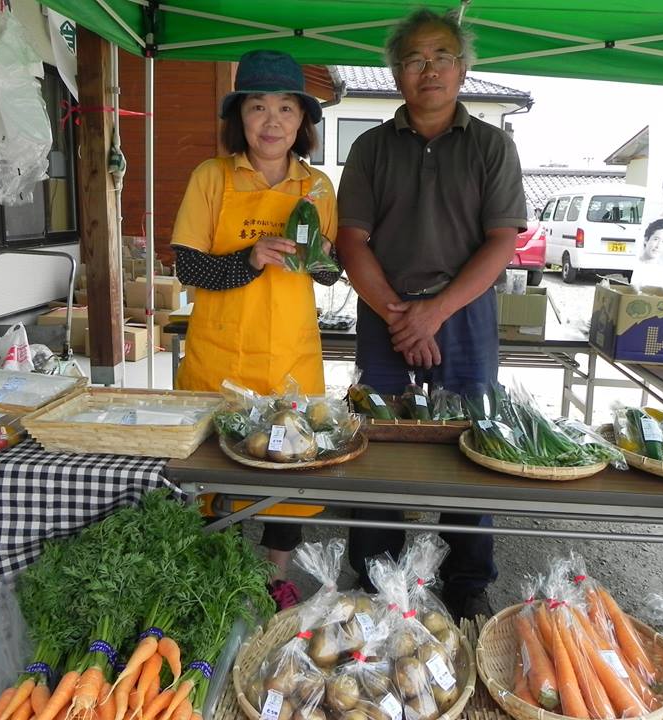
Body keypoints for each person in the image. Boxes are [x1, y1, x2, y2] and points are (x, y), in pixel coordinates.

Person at [336, 8, 528, 620]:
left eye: (442, 56)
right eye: (415, 58)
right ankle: (372, 577)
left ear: (463, 67)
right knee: (375, 444)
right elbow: (350, 242)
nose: (429, 69)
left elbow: (502, 241)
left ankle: (467, 581)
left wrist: (435, 313)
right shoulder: (369, 147)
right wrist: (401, 315)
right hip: (382, 309)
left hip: (465, 313)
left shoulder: (493, 144)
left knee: (472, 444)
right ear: (395, 72)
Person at [171, 49, 340, 610]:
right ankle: (209, 576)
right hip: (219, 358)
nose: (272, 121)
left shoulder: (316, 187)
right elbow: (189, 266)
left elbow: (328, 269)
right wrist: (250, 257)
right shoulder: (212, 177)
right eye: (258, 107)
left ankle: (274, 579)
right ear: (239, 117)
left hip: (291, 358)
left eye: (286, 109)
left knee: (288, 476)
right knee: (208, 474)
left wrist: (321, 261)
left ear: (302, 121)